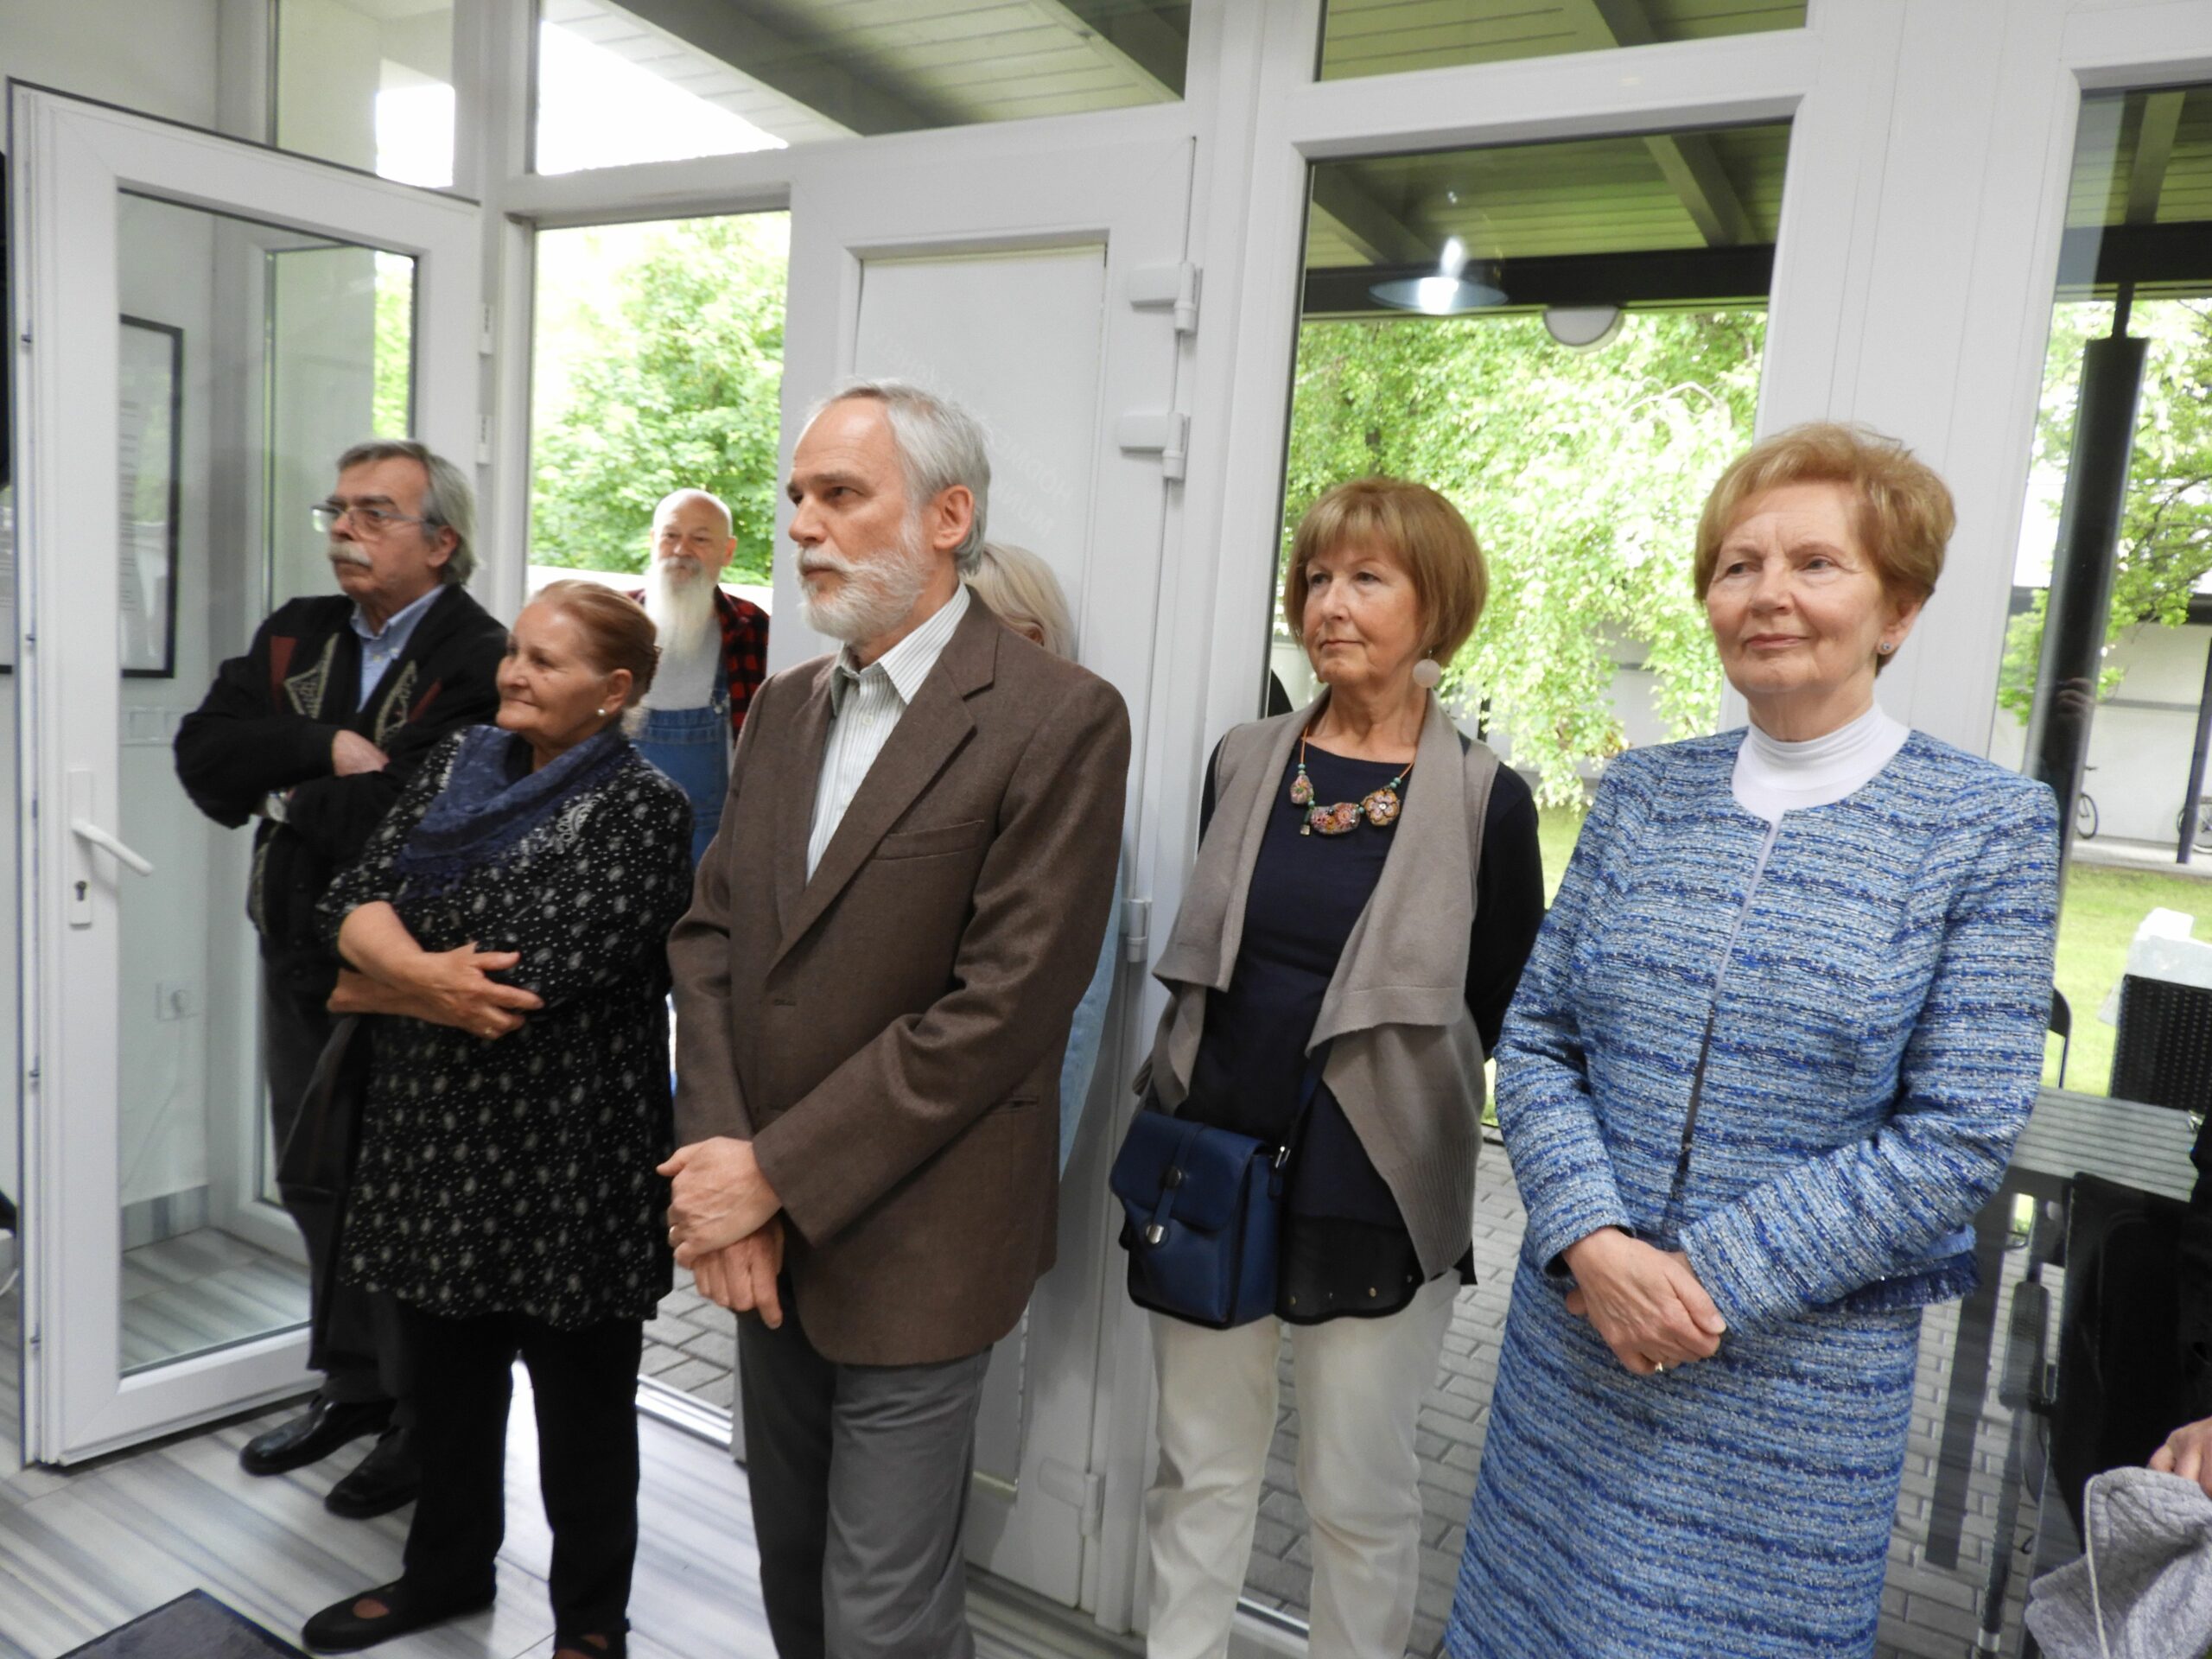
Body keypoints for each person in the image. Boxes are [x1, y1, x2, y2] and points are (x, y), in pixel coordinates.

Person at [1446, 423, 2063, 1659]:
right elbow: (1545, 1030)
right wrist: (1594, 1243)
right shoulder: (1642, 794)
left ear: (1899, 607)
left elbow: (1959, 1132)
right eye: (1738, 565)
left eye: (1817, 564)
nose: (1768, 593)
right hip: (1575, 1341)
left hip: (1792, 1383)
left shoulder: (1983, 826)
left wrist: (1700, 1282)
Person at [663, 379, 1128, 1659]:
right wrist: (721, 1168)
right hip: (768, 1238)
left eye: (842, 495)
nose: (804, 526)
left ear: (947, 516)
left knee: (884, 1618)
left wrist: (767, 1172)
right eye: (798, 497)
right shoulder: (785, 708)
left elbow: (1002, 1012)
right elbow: (710, 941)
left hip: (922, 1243)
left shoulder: (1056, 719)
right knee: (792, 1578)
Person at [1135, 478, 1544, 1659]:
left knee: (1357, 1499)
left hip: (1372, 1191)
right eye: (1317, 576)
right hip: (1211, 1165)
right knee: (1199, 1472)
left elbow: (1499, 1008)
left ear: (1438, 609)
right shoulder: (1246, 761)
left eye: (1368, 578)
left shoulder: (1484, 803)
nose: (1331, 603)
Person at [300, 582, 692, 1656]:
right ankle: (447, 1575)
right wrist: (426, 970)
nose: (514, 673)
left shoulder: (644, 807)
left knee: (583, 1420)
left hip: (571, 1163)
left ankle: (588, 1626)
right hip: (437, 1147)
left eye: (547, 663)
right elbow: (346, 902)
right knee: (447, 1394)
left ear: (613, 692)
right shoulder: (452, 763)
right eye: (515, 651)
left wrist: (386, 972)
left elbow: (526, 980)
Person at [174, 438, 506, 1516]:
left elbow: (415, 814)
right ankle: (354, 1387)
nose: (343, 529)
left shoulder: (477, 652)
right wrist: (320, 750)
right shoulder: (297, 630)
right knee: (317, 1179)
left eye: (374, 513)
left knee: (402, 1198)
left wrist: (280, 785)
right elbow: (202, 754)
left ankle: (420, 1423)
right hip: (295, 952)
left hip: (407, 973)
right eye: (338, 508)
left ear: (440, 541)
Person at [965, 540, 1121, 1174]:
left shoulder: (1072, 786)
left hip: (986, 1156)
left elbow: (1075, 1016)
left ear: (1029, 639)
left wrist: (1034, 1169)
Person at [628, 488, 770, 866]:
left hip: (709, 848)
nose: (681, 550)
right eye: (670, 536)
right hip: (615, 839)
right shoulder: (611, 621)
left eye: (701, 538)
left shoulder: (753, 630)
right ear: (653, 541)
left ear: (728, 551)